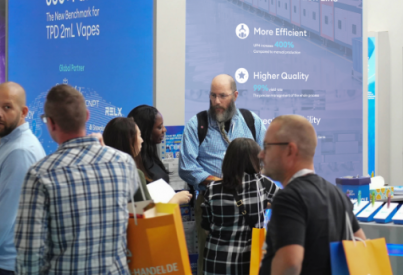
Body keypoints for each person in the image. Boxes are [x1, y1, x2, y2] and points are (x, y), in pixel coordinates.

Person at [14, 84, 137, 274]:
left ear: (51, 123)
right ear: (87, 116)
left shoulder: (40, 174)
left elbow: (30, 252)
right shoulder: (124, 162)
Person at [179, 74, 266, 275]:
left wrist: (248, 183)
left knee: (251, 257)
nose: (216, 101)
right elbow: (186, 167)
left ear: (235, 95)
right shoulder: (197, 124)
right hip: (210, 201)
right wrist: (222, 184)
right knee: (209, 254)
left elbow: (265, 157)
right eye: (213, 95)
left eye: (223, 96)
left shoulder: (251, 121)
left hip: (250, 200)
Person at [259, 115, 365, 275]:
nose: (261, 154)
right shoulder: (337, 194)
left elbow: (290, 263)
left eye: (267, 146)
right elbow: (361, 242)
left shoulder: (289, 198)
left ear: (290, 150)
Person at [0, 83, 45, 275]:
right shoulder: (10, 143)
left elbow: (4, 217)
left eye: (7, 107)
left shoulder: (19, 151)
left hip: (2, 262)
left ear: (23, 112)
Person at [201, 138, 278, 275]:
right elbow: (287, 202)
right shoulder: (262, 184)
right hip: (251, 261)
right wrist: (263, 204)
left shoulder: (212, 189)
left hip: (218, 261)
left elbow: (206, 227)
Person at [103, 117, 191, 204]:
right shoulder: (134, 174)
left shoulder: (102, 171)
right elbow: (147, 211)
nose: (142, 140)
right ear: (129, 141)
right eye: (139, 136)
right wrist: (175, 199)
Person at [127, 105, 169, 183]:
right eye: (159, 127)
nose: (164, 130)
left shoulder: (151, 156)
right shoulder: (133, 163)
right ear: (146, 131)